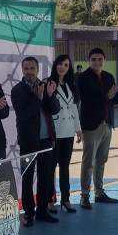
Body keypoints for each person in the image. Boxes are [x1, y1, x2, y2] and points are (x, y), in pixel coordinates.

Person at [77, 48, 118, 209]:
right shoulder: (83, 78)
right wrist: (107, 96)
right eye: (94, 59)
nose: (97, 62)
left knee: (101, 160)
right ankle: (84, 196)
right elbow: (88, 100)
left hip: (107, 123)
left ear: (104, 60)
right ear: (89, 61)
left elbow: (112, 100)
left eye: (100, 59)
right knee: (88, 162)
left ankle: (99, 193)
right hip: (90, 125)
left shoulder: (108, 77)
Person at [11, 56, 61, 226]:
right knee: (27, 178)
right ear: (22, 70)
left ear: (37, 70)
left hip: (46, 140)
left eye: (32, 68)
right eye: (26, 69)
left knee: (45, 177)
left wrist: (50, 95)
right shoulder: (17, 90)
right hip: (28, 141)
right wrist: (37, 98)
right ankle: (28, 213)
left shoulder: (45, 86)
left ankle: (42, 211)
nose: (29, 72)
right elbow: (23, 114)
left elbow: (55, 110)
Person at [49, 55, 82, 213]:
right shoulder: (48, 83)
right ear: (55, 65)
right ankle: (50, 199)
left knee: (65, 167)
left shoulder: (71, 85)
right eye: (60, 64)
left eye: (66, 65)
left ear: (69, 68)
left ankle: (66, 199)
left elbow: (74, 108)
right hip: (54, 132)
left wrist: (78, 129)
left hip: (68, 132)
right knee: (51, 168)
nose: (62, 67)